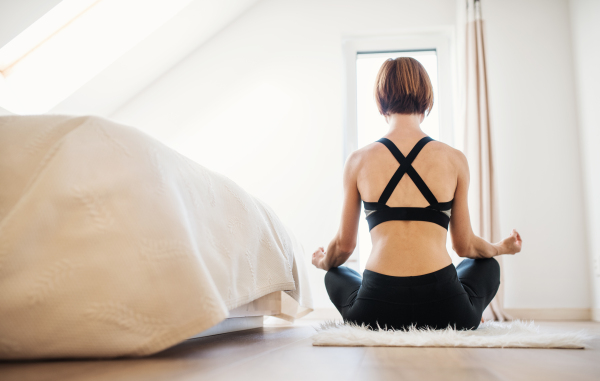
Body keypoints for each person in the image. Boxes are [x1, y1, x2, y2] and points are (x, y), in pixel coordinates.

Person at [311, 57, 522, 330]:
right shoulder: (454, 159)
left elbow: (343, 247)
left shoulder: (357, 160)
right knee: (488, 266)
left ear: (381, 99)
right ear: (426, 97)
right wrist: (500, 248)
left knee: (336, 272)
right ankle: (470, 310)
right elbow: (465, 246)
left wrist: (322, 262)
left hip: (375, 309)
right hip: (446, 308)